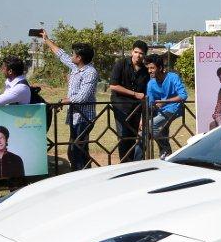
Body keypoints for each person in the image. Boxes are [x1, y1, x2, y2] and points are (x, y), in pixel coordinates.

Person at [39, 30, 97, 171]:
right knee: (77, 149)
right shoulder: (76, 67)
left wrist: (65, 100)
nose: (71, 56)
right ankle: (85, 173)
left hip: (84, 117)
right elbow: (61, 55)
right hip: (74, 116)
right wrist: (47, 40)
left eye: (73, 54)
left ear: (79, 57)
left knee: (77, 150)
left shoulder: (90, 72)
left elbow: (82, 97)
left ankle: (80, 174)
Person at [108, 40, 150, 162]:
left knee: (132, 137)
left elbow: (145, 94)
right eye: (136, 52)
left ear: (144, 55)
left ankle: (131, 164)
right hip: (120, 107)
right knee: (123, 137)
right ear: (132, 52)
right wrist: (134, 94)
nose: (138, 55)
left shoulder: (145, 71)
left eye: (141, 53)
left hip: (136, 108)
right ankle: (124, 164)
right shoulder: (121, 64)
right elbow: (113, 86)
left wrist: (143, 115)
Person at [145, 54, 189, 159]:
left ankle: (166, 150)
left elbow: (183, 95)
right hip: (161, 111)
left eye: (152, 68)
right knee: (161, 131)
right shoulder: (151, 84)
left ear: (160, 68)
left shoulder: (173, 77)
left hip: (174, 108)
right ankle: (164, 156)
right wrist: (147, 114)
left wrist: (165, 101)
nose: (150, 71)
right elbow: (151, 104)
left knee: (152, 125)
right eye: (148, 68)